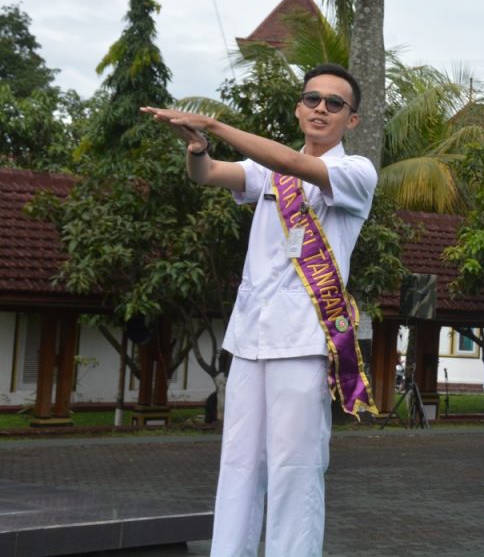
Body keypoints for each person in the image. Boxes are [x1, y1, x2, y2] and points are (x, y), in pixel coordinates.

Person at [141, 63, 377, 556]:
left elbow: (297, 167)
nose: (321, 109)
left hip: (303, 341)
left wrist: (217, 126)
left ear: (351, 120)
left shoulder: (355, 172)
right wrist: (199, 148)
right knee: (239, 466)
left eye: (335, 104)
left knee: (295, 468)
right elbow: (206, 175)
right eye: (312, 99)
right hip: (250, 336)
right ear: (298, 107)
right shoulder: (268, 169)